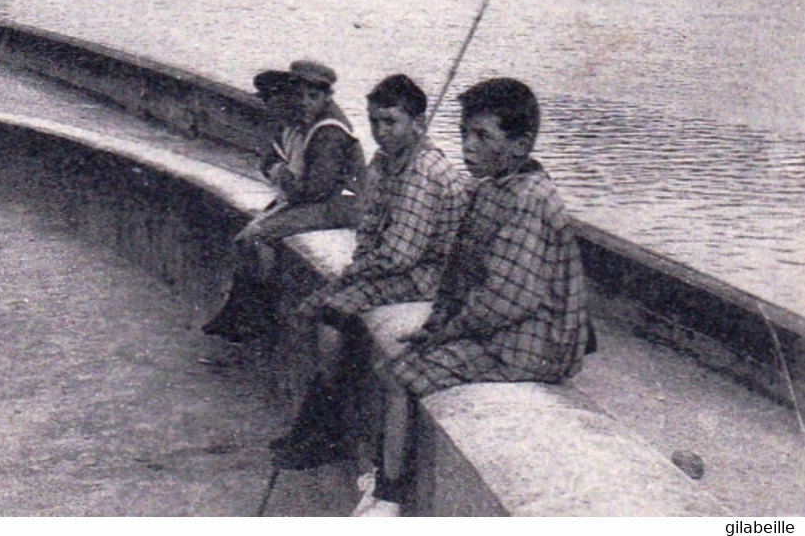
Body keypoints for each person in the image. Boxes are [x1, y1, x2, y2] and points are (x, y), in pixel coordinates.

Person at [358, 77, 589, 517]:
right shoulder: (491, 188)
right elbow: (459, 278)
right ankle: (383, 477)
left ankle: (388, 498)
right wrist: (436, 326)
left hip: (532, 344)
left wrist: (446, 333)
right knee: (393, 364)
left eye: (483, 135)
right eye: (464, 133)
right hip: (505, 330)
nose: (467, 146)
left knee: (400, 376)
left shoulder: (530, 201)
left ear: (521, 144)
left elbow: (506, 300)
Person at [269, 74, 470, 472]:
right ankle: (318, 422)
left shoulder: (424, 172)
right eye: (375, 122)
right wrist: (357, 269)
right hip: (401, 266)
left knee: (330, 314)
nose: (381, 132)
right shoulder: (385, 163)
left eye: (391, 122)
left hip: (431, 275)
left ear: (419, 123)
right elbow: (370, 226)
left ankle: (325, 431)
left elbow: (400, 254)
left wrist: (353, 278)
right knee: (324, 309)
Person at [202, 59, 365, 341]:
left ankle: (260, 313)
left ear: (327, 96)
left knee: (259, 235)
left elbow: (317, 188)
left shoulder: (329, 130)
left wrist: (286, 179)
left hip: (339, 206)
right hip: (315, 200)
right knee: (248, 235)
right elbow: (269, 159)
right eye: (300, 95)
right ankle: (236, 313)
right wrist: (282, 173)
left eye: (313, 96)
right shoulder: (301, 123)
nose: (304, 103)